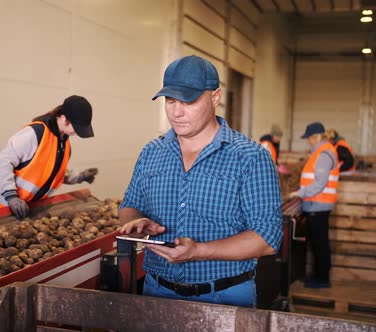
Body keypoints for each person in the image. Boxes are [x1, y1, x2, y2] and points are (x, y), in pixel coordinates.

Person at [118, 55, 283, 308]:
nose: (177, 112)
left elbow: (267, 238)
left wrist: (198, 250)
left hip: (225, 296)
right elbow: (129, 207)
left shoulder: (250, 157)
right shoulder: (151, 153)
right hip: (156, 292)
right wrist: (135, 223)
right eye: (170, 101)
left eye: (189, 101)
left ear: (215, 97)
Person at [0, 95, 98, 218]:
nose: (77, 132)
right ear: (64, 118)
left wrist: (79, 176)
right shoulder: (35, 134)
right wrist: (11, 196)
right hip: (2, 209)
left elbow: (53, 173)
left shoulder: (64, 144)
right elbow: (4, 162)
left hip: (26, 211)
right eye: (77, 128)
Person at [289, 122, 339, 289]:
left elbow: (320, 183)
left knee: (320, 244)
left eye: (308, 138)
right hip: (315, 205)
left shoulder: (324, 153)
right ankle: (318, 276)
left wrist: (300, 193)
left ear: (314, 137)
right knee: (317, 244)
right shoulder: (321, 152)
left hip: (319, 205)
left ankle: (322, 279)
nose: (308, 142)